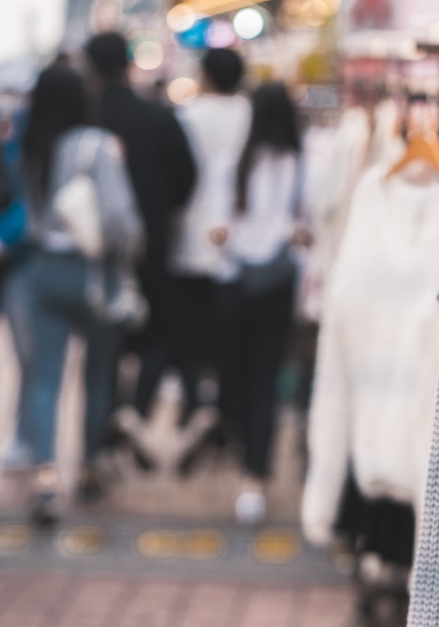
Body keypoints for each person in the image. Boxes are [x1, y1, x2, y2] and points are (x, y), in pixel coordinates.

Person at [3, 64, 143, 524]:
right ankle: (86, 468)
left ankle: (45, 478)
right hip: (93, 273)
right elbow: (120, 217)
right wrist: (130, 248)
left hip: (43, 269)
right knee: (97, 374)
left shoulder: (29, 146)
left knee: (45, 377)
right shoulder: (97, 145)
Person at [84, 32, 197, 463]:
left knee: (103, 351)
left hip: (97, 252)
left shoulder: (89, 120)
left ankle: (100, 441)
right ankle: (133, 418)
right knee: (156, 337)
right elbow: (188, 177)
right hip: (153, 247)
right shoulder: (158, 117)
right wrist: (160, 212)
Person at [212, 83, 304, 524]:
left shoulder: (233, 164)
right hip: (277, 285)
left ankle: (246, 460)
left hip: (235, 283)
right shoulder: (303, 166)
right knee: (264, 380)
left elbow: (217, 230)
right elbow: (307, 231)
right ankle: (255, 476)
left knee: (237, 377)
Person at [159, 48, 249, 453]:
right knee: (228, 343)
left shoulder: (185, 116)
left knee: (189, 337)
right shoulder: (250, 116)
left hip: (188, 238)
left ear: (206, 76)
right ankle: (225, 420)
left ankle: (193, 410)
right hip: (236, 241)